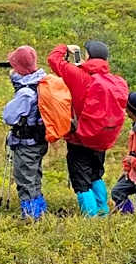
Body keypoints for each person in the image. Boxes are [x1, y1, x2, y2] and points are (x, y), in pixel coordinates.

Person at [47, 40, 128, 217]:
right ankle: (103, 211)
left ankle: (90, 218)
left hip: (80, 138)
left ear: (88, 56)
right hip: (102, 138)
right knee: (96, 175)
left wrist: (64, 48)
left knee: (81, 180)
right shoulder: (117, 81)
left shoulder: (78, 76)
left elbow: (54, 59)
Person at [1, 46, 49, 219]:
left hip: (27, 143)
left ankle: (31, 216)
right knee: (34, 177)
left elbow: (9, 117)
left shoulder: (26, 92)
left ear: (19, 68)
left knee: (25, 179)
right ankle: (39, 210)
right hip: (39, 142)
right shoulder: (41, 83)